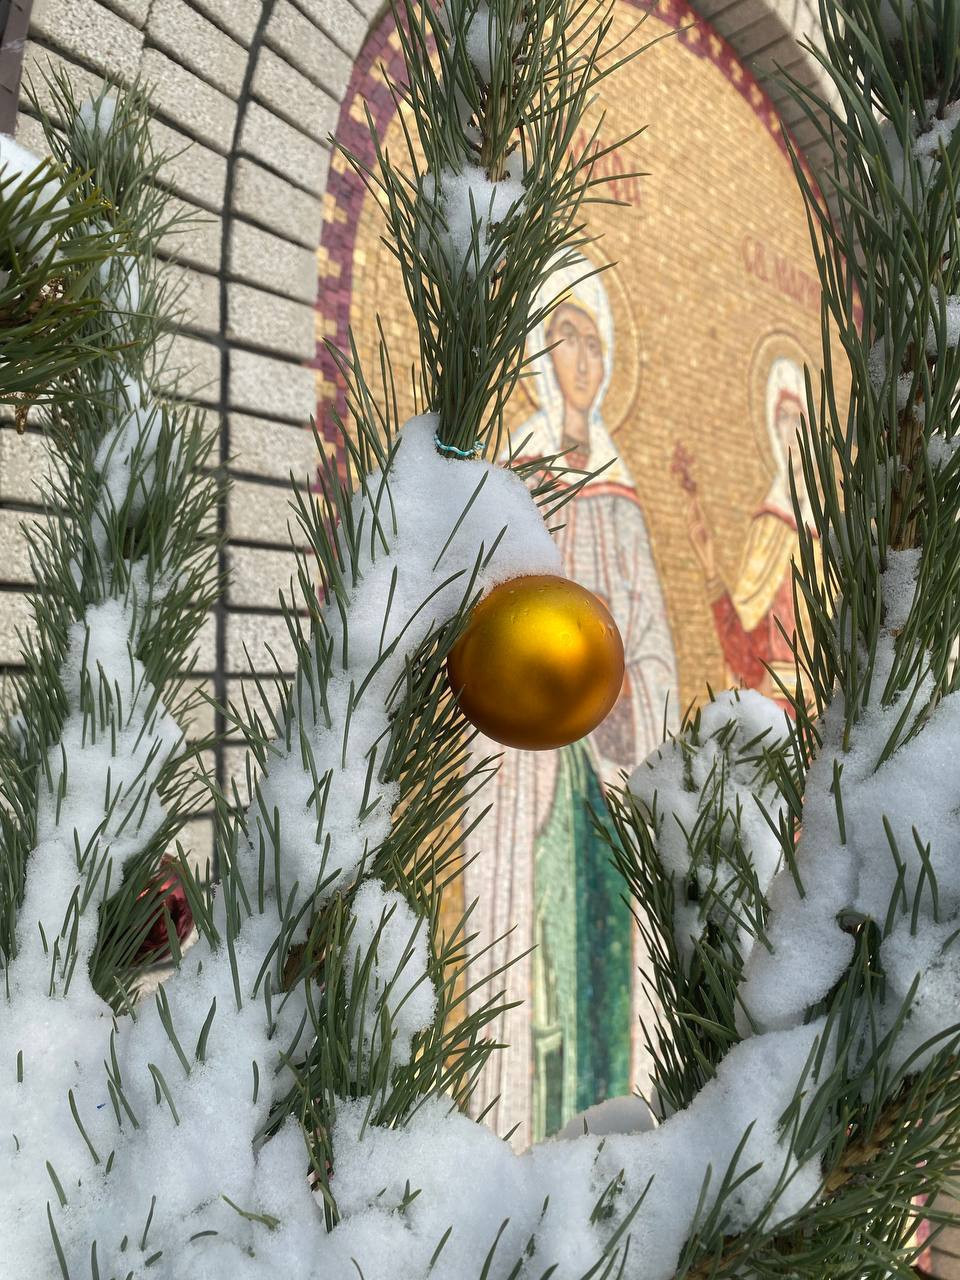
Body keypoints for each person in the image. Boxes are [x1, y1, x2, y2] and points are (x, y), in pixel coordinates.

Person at [463, 256, 679, 1148]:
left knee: (607, 955)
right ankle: (525, 1136)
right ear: (537, 355)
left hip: (609, 781)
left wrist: (632, 695)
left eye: (594, 343)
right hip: (530, 783)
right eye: (564, 338)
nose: (582, 360)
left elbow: (654, 643)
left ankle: (614, 1128)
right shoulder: (516, 483)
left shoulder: (623, 502)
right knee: (540, 957)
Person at [683, 354, 816, 711]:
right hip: (774, 712)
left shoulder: (824, 539)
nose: (792, 431)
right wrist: (711, 570)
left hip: (822, 713)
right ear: (773, 430)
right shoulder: (768, 526)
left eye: (799, 419)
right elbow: (744, 648)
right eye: (783, 419)